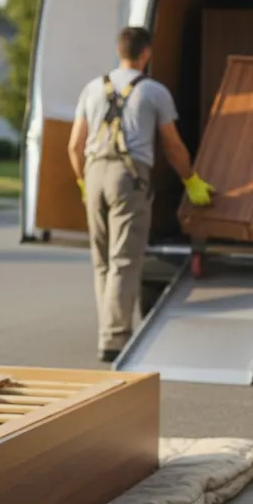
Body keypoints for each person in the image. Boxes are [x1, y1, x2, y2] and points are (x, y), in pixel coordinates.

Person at [69, 26, 215, 363]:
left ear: (118, 51)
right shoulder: (153, 91)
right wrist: (190, 179)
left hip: (93, 173)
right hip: (129, 177)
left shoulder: (92, 88)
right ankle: (114, 338)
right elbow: (172, 145)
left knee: (102, 261)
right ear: (146, 53)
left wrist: (82, 182)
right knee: (124, 259)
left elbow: (74, 145)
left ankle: (109, 329)